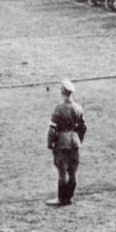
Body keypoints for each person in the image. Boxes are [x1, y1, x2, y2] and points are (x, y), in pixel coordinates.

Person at [46, 79, 87, 207]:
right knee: (72, 172)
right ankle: (69, 198)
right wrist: (78, 139)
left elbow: (52, 129)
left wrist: (50, 144)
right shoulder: (78, 108)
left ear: (63, 92)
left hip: (62, 143)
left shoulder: (59, 108)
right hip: (74, 143)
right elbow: (83, 127)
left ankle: (61, 198)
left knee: (62, 172)